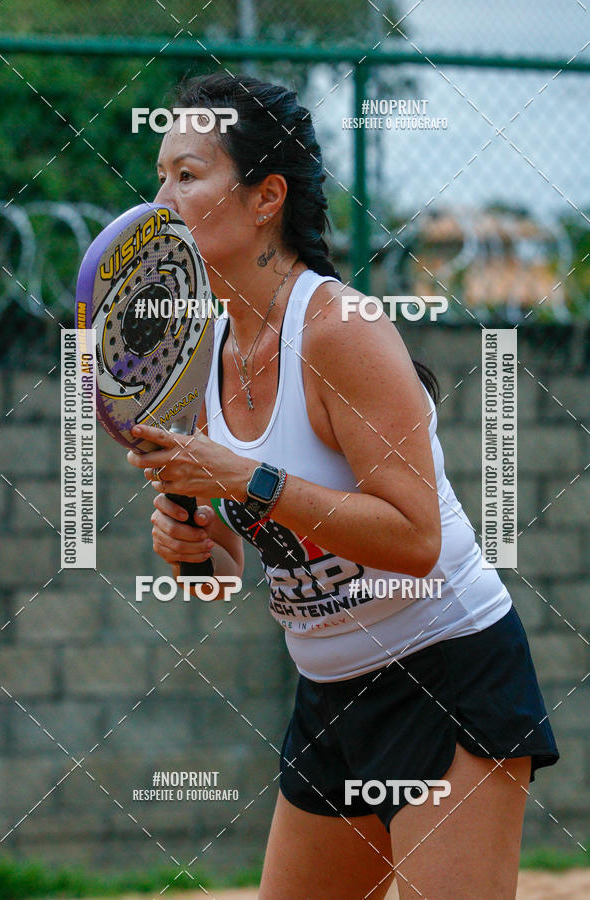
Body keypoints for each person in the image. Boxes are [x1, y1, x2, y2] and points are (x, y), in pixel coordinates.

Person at [126, 72, 559, 899]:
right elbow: (229, 574)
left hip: (448, 672)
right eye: (159, 175)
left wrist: (247, 477)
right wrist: (196, 546)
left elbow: (415, 537)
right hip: (327, 694)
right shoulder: (195, 353)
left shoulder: (336, 329)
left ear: (265, 199)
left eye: (188, 174)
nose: (161, 198)